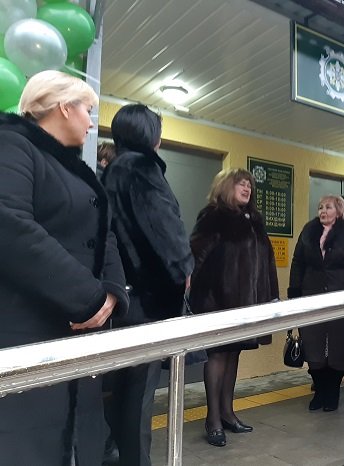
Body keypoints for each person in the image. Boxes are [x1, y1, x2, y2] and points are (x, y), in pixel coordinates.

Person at [0, 70, 129, 465]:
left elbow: (105, 236)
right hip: (26, 333)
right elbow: (10, 225)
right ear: (64, 107)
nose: (91, 124)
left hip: (76, 340)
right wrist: (88, 298)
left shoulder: (75, 169)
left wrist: (111, 294)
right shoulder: (11, 145)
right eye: (88, 110)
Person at [102, 104, 194, 466]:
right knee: (140, 396)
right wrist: (184, 268)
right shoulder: (143, 169)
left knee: (120, 390)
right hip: (150, 301)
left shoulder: (113, 170)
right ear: (150, 134)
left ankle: (115, 454)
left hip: (122, 296)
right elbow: (165, 230)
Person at [189, 168, 278, 447]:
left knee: (233, 353)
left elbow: (266, 262)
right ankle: (212, 419)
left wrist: (271, 298)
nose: (247, 188)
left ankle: (227, 413)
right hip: (217, 302)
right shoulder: (213, 216)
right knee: (217, 355)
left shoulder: (254, 220)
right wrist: (195, 295)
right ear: (226, 186)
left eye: (249, 185)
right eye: (241, 183)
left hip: (245, 305)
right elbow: (195, 256)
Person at [288, 195, 344, 412]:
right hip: (311, 295)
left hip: (340, 296)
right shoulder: (308, 231)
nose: (323, 211)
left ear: (338, 211)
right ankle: (319, 391)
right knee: (313, 344)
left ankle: (333, 392)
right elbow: (297, 262)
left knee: (337, 346)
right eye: (320, 207)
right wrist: (294, 291)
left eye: (328, 207)